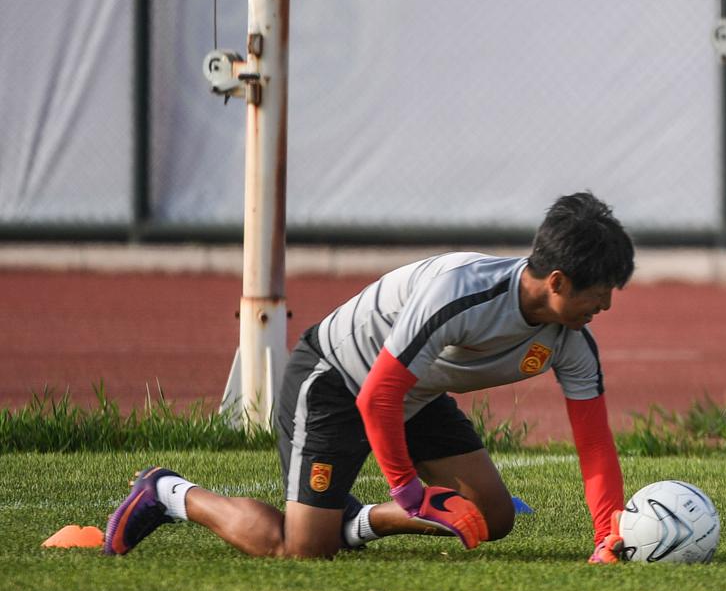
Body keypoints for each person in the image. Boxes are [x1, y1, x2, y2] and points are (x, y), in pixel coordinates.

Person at [104, 192, 637, 562]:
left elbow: (594, 444)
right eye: (601, 293)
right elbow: (377, 396)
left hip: (416, 396)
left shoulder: (571, 342)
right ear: (559, 282)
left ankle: (358, 520)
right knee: (301, 549)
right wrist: (410, 496)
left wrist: (606, 537)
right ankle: (168, 492)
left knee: (492, 518)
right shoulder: (459, 293)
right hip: (336, 381)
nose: (608, 306)